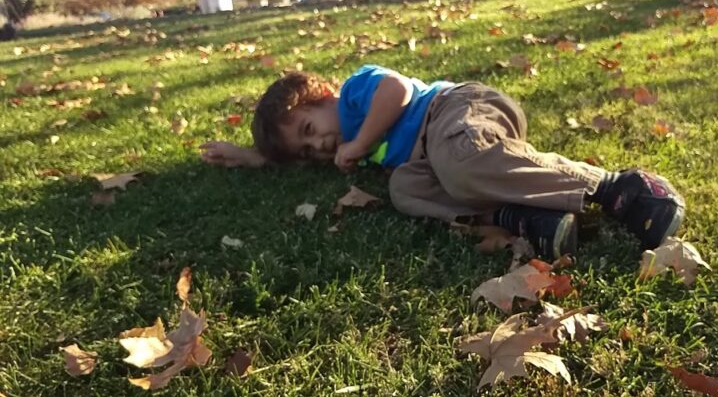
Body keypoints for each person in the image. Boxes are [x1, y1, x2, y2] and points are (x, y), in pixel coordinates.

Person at [201, 65, 685, 260]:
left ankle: (617, 187)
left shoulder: (354, 93)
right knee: (403, 190)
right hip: (434, 158)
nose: (320, 145)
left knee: (460, 162)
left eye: (310, 130)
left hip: (458, 113)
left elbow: (398, 90)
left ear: (323, 96)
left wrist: (360, 139)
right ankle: (523, 217)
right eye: (307, 149)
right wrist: (253, 157)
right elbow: (299, 163)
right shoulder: (340, 141)